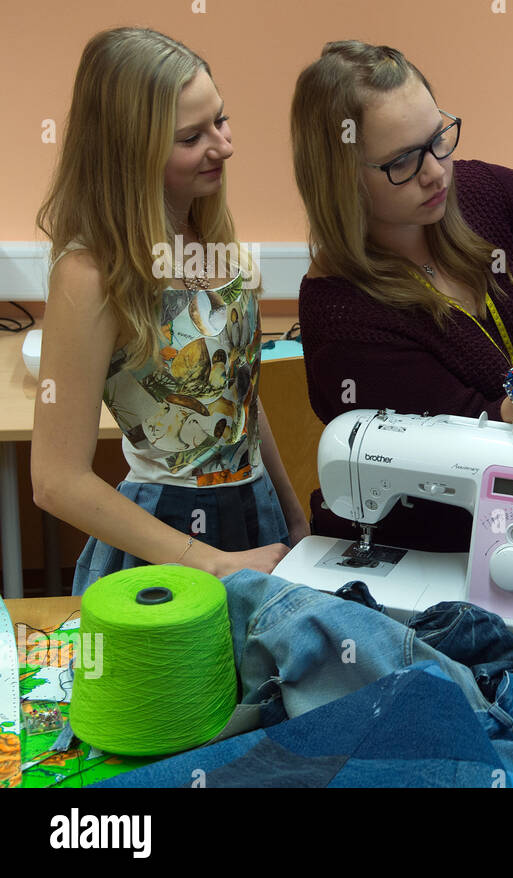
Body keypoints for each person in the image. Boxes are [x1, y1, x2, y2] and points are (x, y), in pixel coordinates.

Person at [291, 41, 513, 551]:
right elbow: (477, 453)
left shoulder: (481, 192)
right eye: (403, 161)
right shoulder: (342, 315)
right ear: (340, 177)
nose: (435, 170)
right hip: (428, 550)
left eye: (438, 138)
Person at [32, 28, 308, 592]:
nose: (224, 147)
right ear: (129, 149)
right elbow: (55, 481)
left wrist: (294, 513)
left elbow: (242, 401)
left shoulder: (212, 240)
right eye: (191, 137)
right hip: (167, 538)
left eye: (221, 121)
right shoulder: (90, 275)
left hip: (258, 517)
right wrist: (210, 561)